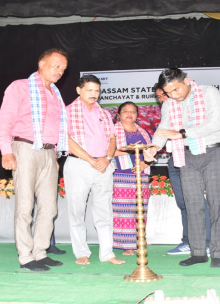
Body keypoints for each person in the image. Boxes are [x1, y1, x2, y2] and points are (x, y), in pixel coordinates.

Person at [0, 48, 69, 272]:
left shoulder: (56, 94)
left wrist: (54, 155)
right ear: (42, 64)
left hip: (48, 153)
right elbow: (4, 120)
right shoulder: (20, 87)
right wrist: (6, 150)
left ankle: (40, 252)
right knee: (25, 206)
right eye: (56, 66)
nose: (60, 72)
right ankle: (26, 257)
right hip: (24, 148)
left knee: (49, 207)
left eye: (63, 69)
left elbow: (54, 128)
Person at [145, 67, 220, 268]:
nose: (173, 96)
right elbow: (164, 129)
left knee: (217, 203)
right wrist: (154, 147)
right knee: (193, 205)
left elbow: (215, 124)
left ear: (187, 81)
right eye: (168, 93)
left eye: (176, 90)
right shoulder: (169, 103)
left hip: (212, 152)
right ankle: (198, 252)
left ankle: (218, 253)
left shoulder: (210, 93)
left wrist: (182, 134)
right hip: (186, 156)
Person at [63, 75, 125, 265]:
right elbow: (66, 139)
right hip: (79, 165)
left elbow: (113, 138)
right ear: (78, 90)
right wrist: (91, 159)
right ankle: (81, 252)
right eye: (89, 90)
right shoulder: (66, 111)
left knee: (104, 211)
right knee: (76, 210)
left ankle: (107, 253)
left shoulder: (104, 113)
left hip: (103, 165)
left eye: (97, 90)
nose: (94, 94)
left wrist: (106, 158)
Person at [154, 86, 211, 255]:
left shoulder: (188, 108)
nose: (163, 99)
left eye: (165, 94)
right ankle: (187, 242)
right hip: (175, 160)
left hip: (192, 156)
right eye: (159, 97)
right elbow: (162, 133)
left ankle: (207, 243)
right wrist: (153, 148)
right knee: (183, 204)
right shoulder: (167, 113)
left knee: (197, 202)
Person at [112, 101, 153, 255]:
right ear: (119, 114)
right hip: (120, 175)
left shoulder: (144, 133)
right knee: (124, 210)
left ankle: (139, 240)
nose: (129, 114)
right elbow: (107, 151)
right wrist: (131, 151)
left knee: (140, 209)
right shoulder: (112, 131)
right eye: (125, 111)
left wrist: (144, 163)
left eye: (133, 111)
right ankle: (126, 244)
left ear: (137, 115)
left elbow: (150, 153)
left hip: (141, 175)